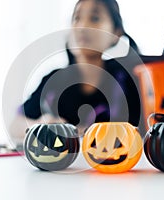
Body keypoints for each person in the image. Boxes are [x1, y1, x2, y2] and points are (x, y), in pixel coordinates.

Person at [9, 0, 141, 144]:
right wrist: (39, 126)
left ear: (115, 33)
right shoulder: (53, 80)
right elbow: (15, 125)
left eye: (95, 18)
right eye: (77, 18)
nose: (82, 27)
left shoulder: (127, 81)